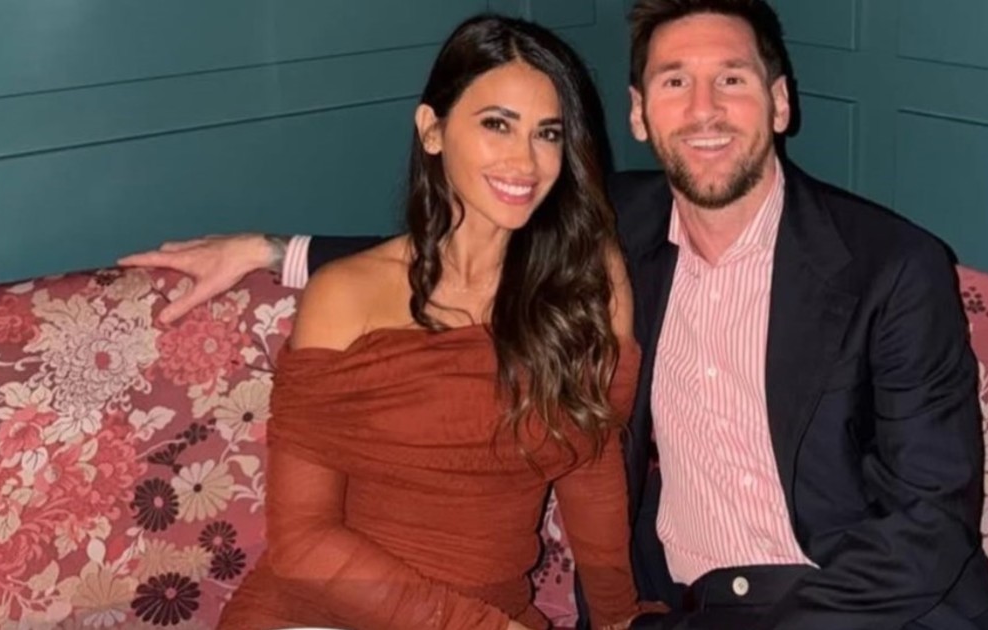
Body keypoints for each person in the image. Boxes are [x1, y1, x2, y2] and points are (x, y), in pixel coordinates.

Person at [123, 1, 988, 628]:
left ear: (780, 102)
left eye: (733, 80)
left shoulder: (891, 266)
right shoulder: (612, 235)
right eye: (674, 82)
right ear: (639, 114)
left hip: (861, 606)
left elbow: (930, 525)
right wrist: (272, 249)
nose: (704, 111)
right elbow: (459, 239)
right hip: (688, 605)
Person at [201, 14, 656, 630]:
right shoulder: (346, 295)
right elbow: (304, 543)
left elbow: (590, 467)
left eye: (547, 133)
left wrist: (617, 616)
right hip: (322, 613)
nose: (524, 160)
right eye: (497, 124)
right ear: (433, 130)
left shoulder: (585, 282)